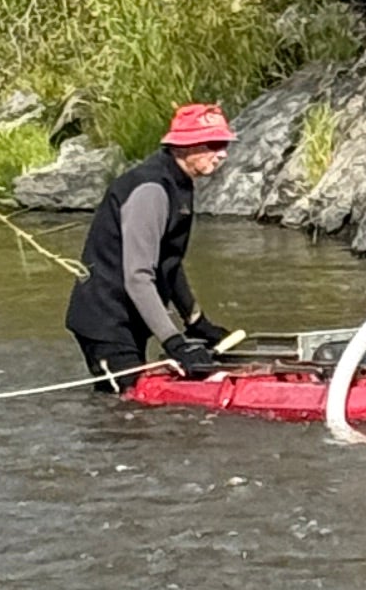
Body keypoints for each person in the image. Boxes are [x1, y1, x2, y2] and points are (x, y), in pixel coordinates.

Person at [63, 104, 236, 391]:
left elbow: (168, 261)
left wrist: (195, 321)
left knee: (142, 417)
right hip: (105, 320)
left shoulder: (181, 183)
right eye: (214, 144)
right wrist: (174, 342)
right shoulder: (150, 189)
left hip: (133, 318)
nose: (223, 153)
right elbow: (138, 275)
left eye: (225, 144)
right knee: (123, 411)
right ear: (182, 147)